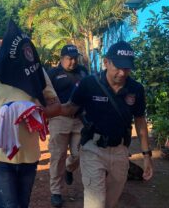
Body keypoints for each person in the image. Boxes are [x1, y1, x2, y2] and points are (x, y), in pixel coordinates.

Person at [46, 41, 154, 208]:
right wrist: (47, 111)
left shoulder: (136, 89)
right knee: (95, 203)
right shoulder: (89, 83)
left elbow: (140, 121)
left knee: (110, 202)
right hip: (92, 148)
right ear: (106, 62)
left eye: (127, 68)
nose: (122, 72)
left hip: (120, 151)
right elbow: (70, 108)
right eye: (117, 67)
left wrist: (147, 155)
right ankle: (57, 189)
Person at [0, 20, 59, 208]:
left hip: (30, 153)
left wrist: (35, 111)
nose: (27, 54)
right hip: (1, 154)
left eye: (28, 50)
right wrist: (6, 112)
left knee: (22, 204)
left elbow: (57, 107)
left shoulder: (37, 73)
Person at [47, 44, 88, 207]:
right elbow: (44, 95)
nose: (73, 62)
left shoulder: (83, 72)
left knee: (80, 153)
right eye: (69, 59)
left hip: (79, 120)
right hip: (59, 119)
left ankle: (69, 169)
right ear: (62, 58)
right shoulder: (53, 74)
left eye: (75, 58)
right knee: (58, 156)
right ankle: (55, 191)